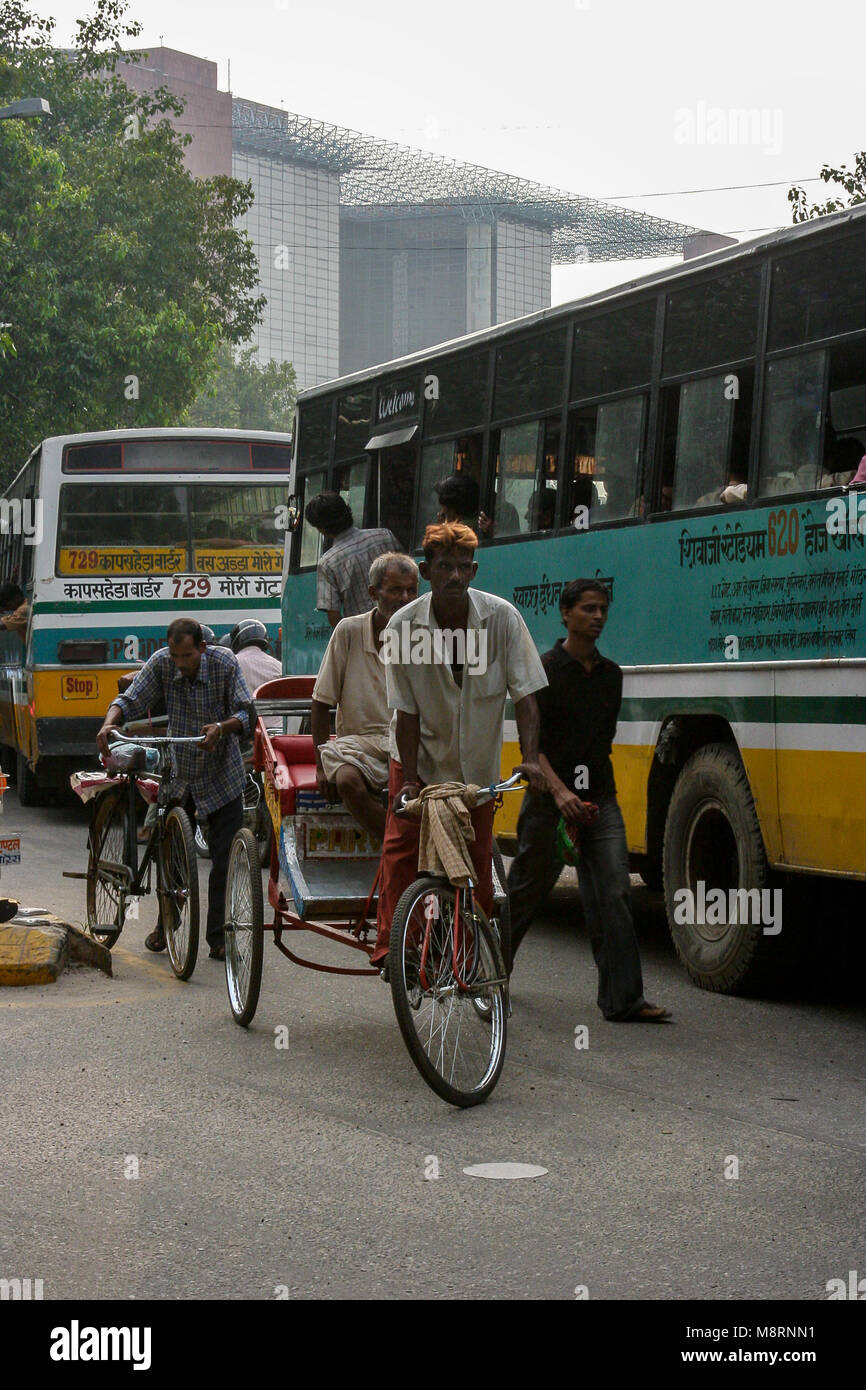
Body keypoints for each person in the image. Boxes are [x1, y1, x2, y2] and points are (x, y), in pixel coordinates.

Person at [370, 521, 548, 969]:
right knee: (403, 852)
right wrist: (409, 782)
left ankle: (468, 959)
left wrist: (530, 759)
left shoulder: (502, 619)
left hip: (476, 769)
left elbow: (526, 697)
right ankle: (396, 952)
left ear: (474, 571)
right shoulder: (403, 627)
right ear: (427, 571)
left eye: (462, 567)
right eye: (444, 566)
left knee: (478, 863)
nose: (453, 575)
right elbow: (405, 714)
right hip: (418, 760)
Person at [506, 579, 669, 1022]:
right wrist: (560, 794)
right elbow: (531, 746)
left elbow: (600, 742)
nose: (597, 617)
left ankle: (623, 1000)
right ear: (565, 614)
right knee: (524, 894)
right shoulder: (543, 671)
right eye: (588, 609)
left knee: (614, 892)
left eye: (603, 610)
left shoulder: (612, 675)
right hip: (547, 802)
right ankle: (488, 980)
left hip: (600, 801)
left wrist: (586, 798)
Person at [96, 618, 254, 962]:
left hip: (221, 774)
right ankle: (166, 922)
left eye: (187, 656)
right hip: (180, 771)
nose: (180, 664)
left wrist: (222, 728)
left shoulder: (225, 663)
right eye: (175, 656)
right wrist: (110, 722)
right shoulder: (162, 664)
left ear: (201, 648)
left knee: (224, 860)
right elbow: (131, 698)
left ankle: (218, 936)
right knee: (173, 857)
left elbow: (246, 711)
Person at [311, 553, 419, 840]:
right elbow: (321, 703)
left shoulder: (425, 635)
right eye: (396, 590)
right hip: (359, 745)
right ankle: (394, 846)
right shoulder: (349, 630)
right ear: (374, 593)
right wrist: (320, 764)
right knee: (347, 782)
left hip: (411, 743)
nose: (405, 598)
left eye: (411, 591)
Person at [304, 492, 399, 628]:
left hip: (365, 635)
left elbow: (334, 615)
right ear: (348, 510)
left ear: (321, 528)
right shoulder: (385, 535)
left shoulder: (328, 562)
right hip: (403, 627)